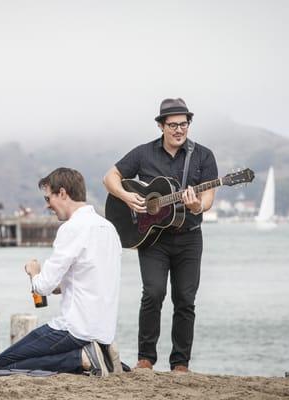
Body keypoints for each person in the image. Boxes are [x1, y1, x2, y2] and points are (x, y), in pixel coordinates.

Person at [103, 98, 218, 372]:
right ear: (161, 126)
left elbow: (208, 198)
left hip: (190, 237)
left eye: (184, 124)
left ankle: (180, 363)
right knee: (153, 294)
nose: (179, 130)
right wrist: (127, 197)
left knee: (185, 300)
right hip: (152, 238)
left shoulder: (203, 156)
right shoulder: (144, 154)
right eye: (173, 125)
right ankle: (146, 359)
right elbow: (110, 177)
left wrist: (196, 205)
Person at [0, 168, 122, 377]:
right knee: (25, 358)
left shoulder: (72, 228)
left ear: (62, 193)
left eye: (48, 197)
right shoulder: (108, 228)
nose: (47, 205)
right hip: (103, 330)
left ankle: (82, 358)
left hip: (75, 328)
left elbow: (42, 287)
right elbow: (90, 276)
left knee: (2, 363)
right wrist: (61, 286)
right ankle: (100, 354)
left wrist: (33, 272)